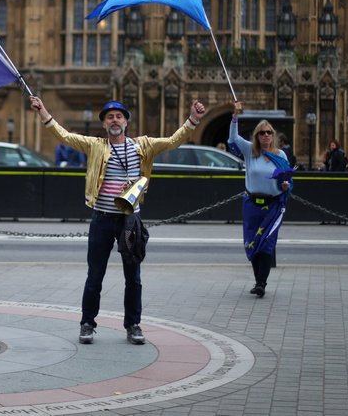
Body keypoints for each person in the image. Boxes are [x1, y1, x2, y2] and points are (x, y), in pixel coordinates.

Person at [29, 94, 206, 346]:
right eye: (110, 117)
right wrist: (43, 111)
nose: (114, 120)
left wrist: (193, 120)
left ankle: (133, 325)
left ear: (126, 122)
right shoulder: (95, 145)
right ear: (104, 124)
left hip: (129, 221)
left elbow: (172, 141)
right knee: (95, 275)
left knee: (133, 277)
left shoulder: (142, 146)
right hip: (101, 218)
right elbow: (65, 136)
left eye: (119, 116)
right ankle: (87, 324)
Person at [230, 101, 292, 299]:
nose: (266, 135)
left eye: (269, 132)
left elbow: (288, 180)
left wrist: (285, 186)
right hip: (252, 205)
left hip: (272, 205)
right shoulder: (250, 151)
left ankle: (261, 283)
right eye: (262, 132)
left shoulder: (280, 155)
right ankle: (258, 280)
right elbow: (233, 138)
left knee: (266, 244)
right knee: (253, 244)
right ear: (257, 136)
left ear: (273, 136)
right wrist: (235, 115)